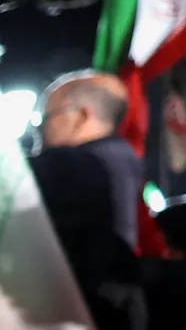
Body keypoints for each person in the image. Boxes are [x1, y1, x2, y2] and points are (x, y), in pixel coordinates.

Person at [37, 71, 147, 253]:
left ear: (82, 115)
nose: (40, 129)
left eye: (46, 118)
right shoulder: (123, 158)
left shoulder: (76, 164)